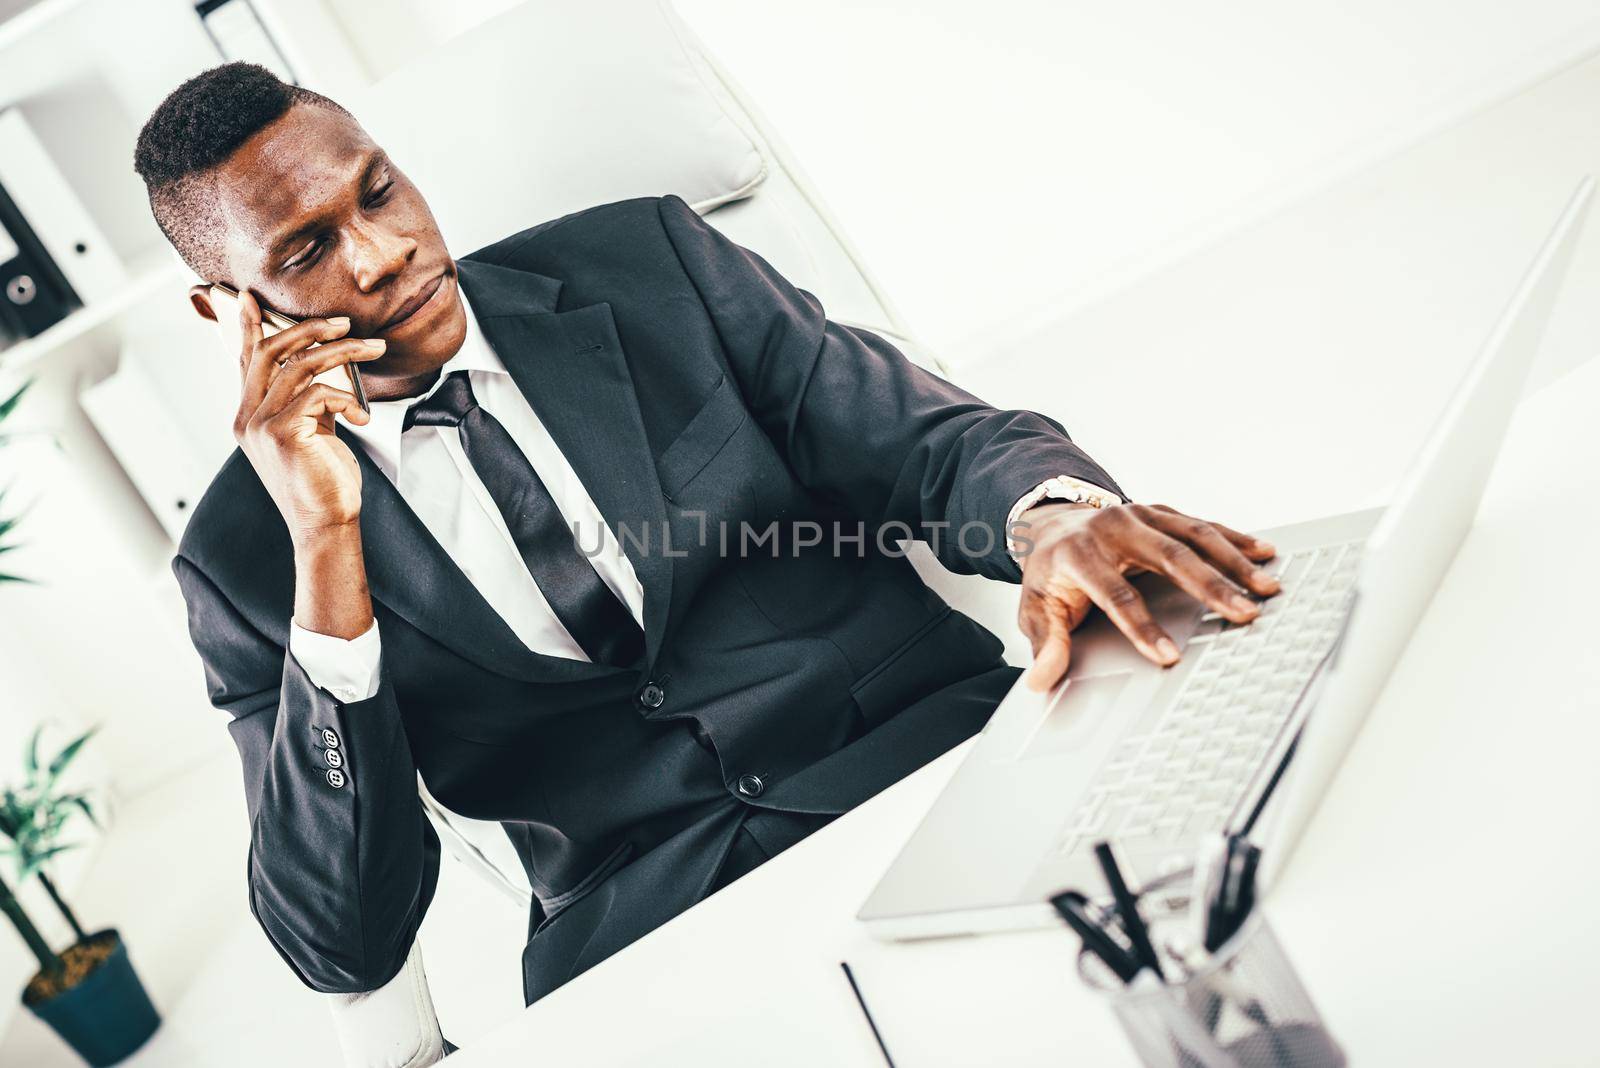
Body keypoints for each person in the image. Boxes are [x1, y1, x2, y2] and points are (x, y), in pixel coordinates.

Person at [136, 62, 1279, 1008]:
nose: (379, 256)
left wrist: (1052, 520)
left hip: (921, 770)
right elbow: (342, 940)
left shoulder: (648, 269)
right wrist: (324, 541)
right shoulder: (241, 560)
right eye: (303, 252)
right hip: (653, 951)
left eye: (378, 194)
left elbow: (927, 444)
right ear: (224, 308)